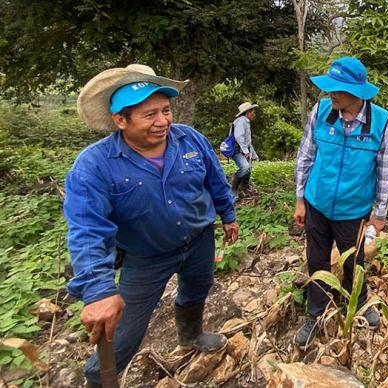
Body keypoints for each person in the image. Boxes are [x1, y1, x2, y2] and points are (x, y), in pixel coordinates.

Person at [64, 64, 239, 387]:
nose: (163, 122)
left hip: (199, 240)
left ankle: (190, 334)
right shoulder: (94, 166)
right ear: (120, 120)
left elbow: (216, 181)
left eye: (166, 110)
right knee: (124, 330)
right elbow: (88, 229)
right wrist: (99, 290)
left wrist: (228, 215)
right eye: (150, 115)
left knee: (197, 287)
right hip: (145, 257)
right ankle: (98, 379)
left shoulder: (191, 141)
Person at [292, 56, 388, 348]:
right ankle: (315, 313)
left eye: (337, 89)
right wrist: (300, 199)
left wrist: (380, 213)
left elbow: (385, 170)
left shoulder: (381, 123)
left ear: (357, 93)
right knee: (317, 260)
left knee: (354, 261)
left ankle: (359, 302)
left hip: (354, 210)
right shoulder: (322, 111)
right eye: (330, 88)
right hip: (317, 203)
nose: (330, 94)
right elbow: (305, 155)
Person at [231, 102, 259, 196]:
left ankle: (244, 189)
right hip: (237, 150)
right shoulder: (241, 121)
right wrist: (245, 151)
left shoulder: (246, 122)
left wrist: (254, 155)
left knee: (248, 169)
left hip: (243, 149)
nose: (254, 114)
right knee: (245, 167)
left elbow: (248, 142)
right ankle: (233, 190)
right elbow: (239, 137)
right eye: (253, 112)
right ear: (247, 113)